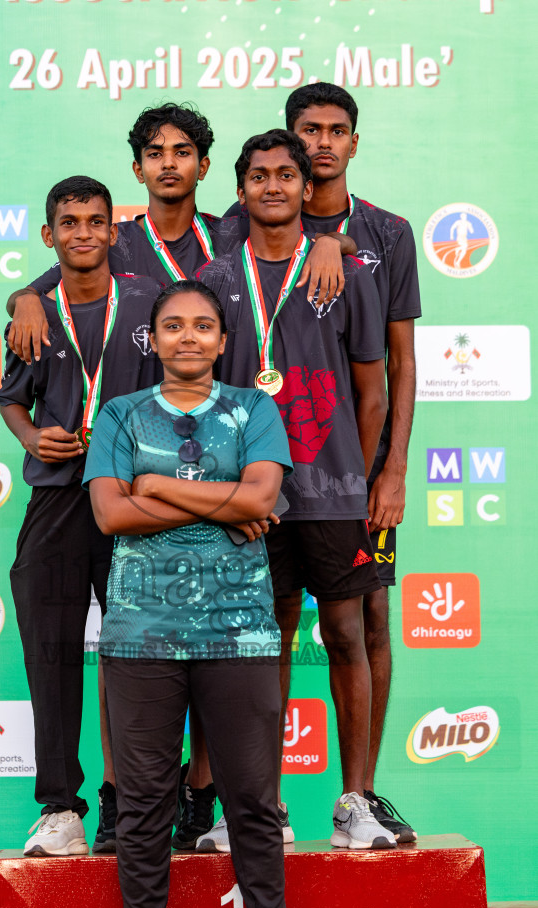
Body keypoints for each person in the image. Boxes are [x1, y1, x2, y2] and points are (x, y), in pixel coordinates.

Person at [2, 102, 354, 855]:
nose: (169, 163)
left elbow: (291, 228)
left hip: (202, 459)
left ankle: (203, 797)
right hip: (90, 480)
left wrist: (331, 240)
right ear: (138, 168)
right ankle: (94, 804)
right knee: (103, 650)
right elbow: (55, 278)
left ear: (203, 164)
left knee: (201, 641)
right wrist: (22, 298)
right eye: (155, 153)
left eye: (183, 151)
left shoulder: (226, 232)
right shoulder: (121, 236)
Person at [84, 279, 308, 908]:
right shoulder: (120, 414)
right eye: (173, 325)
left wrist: (153, 486)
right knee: (145, 801)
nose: (188, 336)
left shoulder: (253, 409)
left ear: (221, 340)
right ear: (153, 340)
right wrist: (225, 503)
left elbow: (262, 498)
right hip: (140, 635)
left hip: (239, 633)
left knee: (253, 798)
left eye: (203, 325)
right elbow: (111, 516)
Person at [197, 129, 394, 851]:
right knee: (263, 645)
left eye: (286, 175)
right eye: (259, 176)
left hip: (333, 493)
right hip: (249, 500)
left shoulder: (349, 275)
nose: (273, 186)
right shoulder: (216, 280)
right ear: (240, 191)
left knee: (346, 635)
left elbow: (371, 393)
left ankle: (355, 802)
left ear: (307, 190)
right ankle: (261, 808)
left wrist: (356, 477)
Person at [0, 175, 162, 856]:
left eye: (96, 221)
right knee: (50, 650)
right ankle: (60, 807)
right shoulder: (33, 315)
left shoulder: (150, 302)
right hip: (58, 498)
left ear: (113, 231)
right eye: (69, 222)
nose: (83, 233)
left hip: (132, 499)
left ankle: (130, 804)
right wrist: (33, 438)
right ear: (49, 235)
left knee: (140, 655)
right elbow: (12, 399)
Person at [284, 83, 422, 841]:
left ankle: (358, 797)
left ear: (355, 143)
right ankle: (252, 802)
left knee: (370, 616)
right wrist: (24, 295)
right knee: (263, 627)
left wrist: (391, 470)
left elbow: (400, 363)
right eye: (309, 130)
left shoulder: (387, 232)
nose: (323, 143)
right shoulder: (254, 217)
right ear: (290, 138)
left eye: (337, 130)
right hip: (274, 468)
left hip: (359, 469)